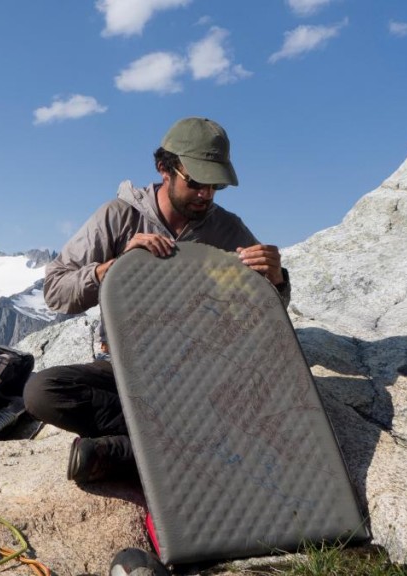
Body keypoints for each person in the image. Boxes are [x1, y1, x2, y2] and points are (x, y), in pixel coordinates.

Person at [23, 117, 291, 483]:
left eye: (215, 185)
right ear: (164, 168)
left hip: (198, 373)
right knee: (42, 393)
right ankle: (184, 446)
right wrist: (112, 270)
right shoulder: (118, 217)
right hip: (124, 366)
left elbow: (264, 316)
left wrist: (274, 280)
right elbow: (56, 290)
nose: (206, 195)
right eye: (196, 182)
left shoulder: (228, 229)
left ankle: (126, 452)